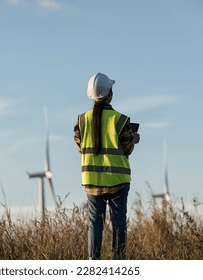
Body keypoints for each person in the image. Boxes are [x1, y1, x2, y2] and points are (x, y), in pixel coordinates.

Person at [74, 73, 140, 260]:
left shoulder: (81, 120)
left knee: (95, 223)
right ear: (109, 93)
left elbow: (81, 147)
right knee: (118, 223)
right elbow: (127, 149)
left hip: (92, 181)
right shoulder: (120, 120)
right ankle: (118, 264)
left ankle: (93, 263)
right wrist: (133, 140)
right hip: (117, 180)